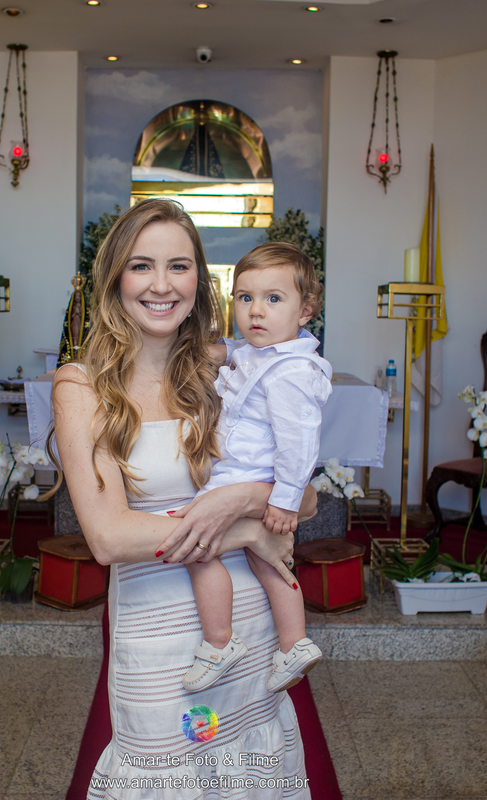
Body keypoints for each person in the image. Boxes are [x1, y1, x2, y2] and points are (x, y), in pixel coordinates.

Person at [52, 199, 314, 796]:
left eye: (179, 265)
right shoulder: (82, 386)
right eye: (142, 266)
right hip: (160, 637)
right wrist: (246, 528)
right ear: (115, 277)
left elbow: (306, 499)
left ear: (201, 279)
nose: (162, 285)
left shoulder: (230, 369)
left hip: (249, 622)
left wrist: (238, 500)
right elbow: (108, 537)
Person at [180, 243, 332, 695]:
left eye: (273, 298)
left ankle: (219, 641)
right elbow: (237, 353)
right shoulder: (262, 351)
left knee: (197, 547)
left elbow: (300, 444)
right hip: (242, 472)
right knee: (265, 557)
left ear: (305, 311)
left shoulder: (291, 372)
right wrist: (217, 349)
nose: (256, 311)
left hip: (247, 478)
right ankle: (294, 642)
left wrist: (284, 501)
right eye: (245, 298)